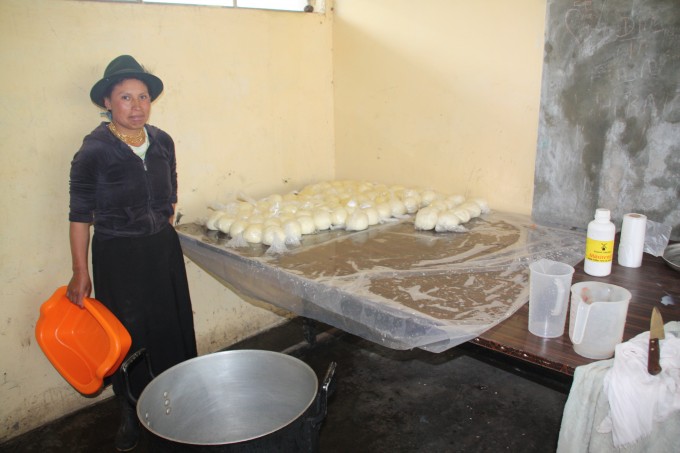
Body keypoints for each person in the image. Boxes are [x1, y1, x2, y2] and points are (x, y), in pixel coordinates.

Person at [67, 55, 197, 451]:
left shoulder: (162, 141)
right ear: (107, 102)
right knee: (127, 338)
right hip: (118, 257)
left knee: (171, 327)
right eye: (125, 97)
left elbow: (170, 194)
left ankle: (182, 403)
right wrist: (79, 272)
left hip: (162, 251)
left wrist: (161, 227)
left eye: (143, 97)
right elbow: (79, 216)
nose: (137, 106)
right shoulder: (93, 152)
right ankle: (131, 413)